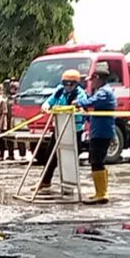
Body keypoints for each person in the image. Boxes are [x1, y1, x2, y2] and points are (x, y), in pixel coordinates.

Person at [37, 69, 88, 193]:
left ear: (76, 84)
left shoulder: (80, 94)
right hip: (59, 128)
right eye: (65, 83)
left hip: (74, 130)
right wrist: (46, 105)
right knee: (50, 155)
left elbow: (83, 108)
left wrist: (79, 108)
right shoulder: (60, 91)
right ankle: (45, 181)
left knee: (70, 158)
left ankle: (69, 186)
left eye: (71, 84)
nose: (68, 86)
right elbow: (50, 100)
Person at [76, 66, 118, 204]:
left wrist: (79, 102)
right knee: (98, 161)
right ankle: (101, 192)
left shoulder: (104, 92)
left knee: (97, 162)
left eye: (92, 79)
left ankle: (102, 193)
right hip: (98, 132)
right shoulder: (101, 91)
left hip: (102, 133)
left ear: (98, 78)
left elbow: (91, 102)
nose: (91, 82)